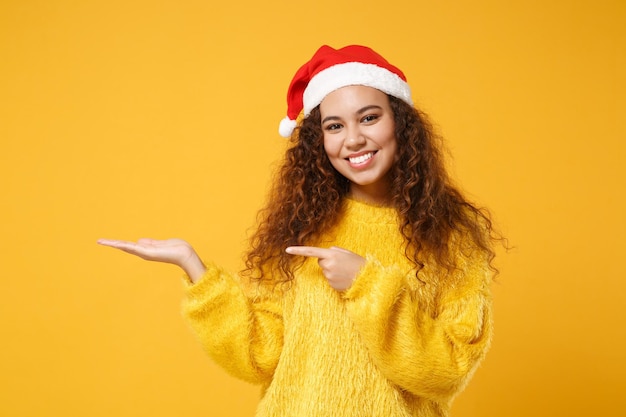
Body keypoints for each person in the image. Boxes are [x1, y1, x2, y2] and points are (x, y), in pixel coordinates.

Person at [98, 44, 500, 417]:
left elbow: (448, 370)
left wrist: (367, 284)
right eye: (334, 126)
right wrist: (194, 269)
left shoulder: (453, 236)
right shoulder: (303, 226)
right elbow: (260, 355)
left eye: (369, 117)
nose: (354, 139)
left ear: (402, 122)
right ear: (318, 140)